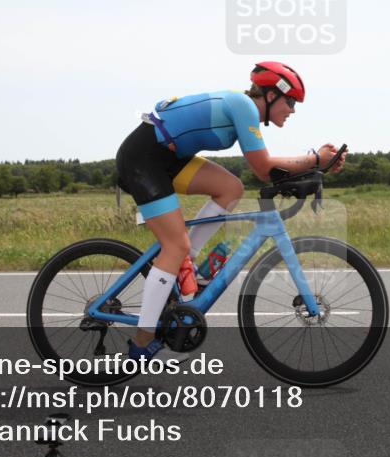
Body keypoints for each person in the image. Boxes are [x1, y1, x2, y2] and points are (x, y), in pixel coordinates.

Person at [115, 62, 346, 361]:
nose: (292, 110)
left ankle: (189, 267)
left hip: (169, 157)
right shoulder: (244, 106)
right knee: (175, 245)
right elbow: (264, 168)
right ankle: (143, 341)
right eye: (290, 102)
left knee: (231, 188)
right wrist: (315, 158)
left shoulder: (244, 108)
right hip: (144, 158)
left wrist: (317, 165)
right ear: (272, 95)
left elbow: (269, 169)